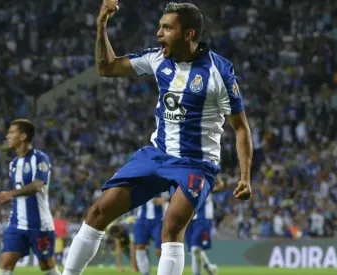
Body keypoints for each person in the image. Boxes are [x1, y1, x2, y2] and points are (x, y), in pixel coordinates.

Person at [62, 1, 253, 275]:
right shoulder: (158, 59)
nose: (158, 33)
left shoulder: (219, 72)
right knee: (98, 212)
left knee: (171, 228)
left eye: (166, 28)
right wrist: (101, 25)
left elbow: (241, 127)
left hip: (196, 163)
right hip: (157, 154)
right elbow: (106, 68)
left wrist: (245, 177)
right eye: (160, 27)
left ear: (188, 34)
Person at [0, 119, 61, 275]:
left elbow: (37, 185)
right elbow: (19, 193)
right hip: (17, 223)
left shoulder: (39, 158)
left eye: (11, 132)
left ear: (23, 136)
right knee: (5, 264)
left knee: (47, 266)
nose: (7, 136)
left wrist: (10, 194)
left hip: (40, 225)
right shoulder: (13, 164)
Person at [185, 175, 226, 275]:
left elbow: (221, 186)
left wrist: (216, 174)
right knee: (193, 250)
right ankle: (209, 268)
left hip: (203, 218)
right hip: (189, 218)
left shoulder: (206, 180)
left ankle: (203, 270)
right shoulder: (186, 178)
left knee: (195, 249)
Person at [133, 193, 169, 275]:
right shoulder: (139, 184)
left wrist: (165, 199)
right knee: (139, 247)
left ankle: (166, 272)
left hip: (158, 221)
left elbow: (170, 195)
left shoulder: (162, 184)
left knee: (159, 250)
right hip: (141, 220)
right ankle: (145, 273)